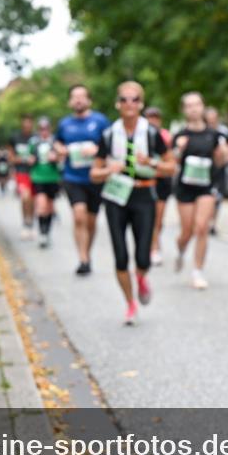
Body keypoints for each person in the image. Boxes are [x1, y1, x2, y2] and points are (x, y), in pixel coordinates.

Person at [90, 82, 176, 324]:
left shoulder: (151, 133)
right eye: (125, 99)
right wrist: (109, 169)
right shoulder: (108, 134)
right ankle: (130, 303)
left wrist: (152, 163)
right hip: (116, 195)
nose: (130, 104)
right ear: (118, 104)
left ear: (141, 104)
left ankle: (141, 277)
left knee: (143, 256)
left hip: (143, 194)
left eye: (135, 99)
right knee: (120, 256)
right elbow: (93, 174)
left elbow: (171, 167)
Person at [173, 92, 228, 289]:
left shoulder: (214, 135)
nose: (194, 109)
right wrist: (178, 150)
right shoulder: (180, 136)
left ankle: (197, 271)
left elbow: (220, 162)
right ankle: (181, 248)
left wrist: (223, 154)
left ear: (202, 107)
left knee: (202, 227)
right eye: (189, 105)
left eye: (197, 104)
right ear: (184, 110)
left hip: (206, 187)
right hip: (185, 188)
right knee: (187, 231)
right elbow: (171, 163)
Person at [54, 84, 111, 276]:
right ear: (70, 101)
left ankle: (87, 252)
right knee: (79, 216)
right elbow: (57, 142)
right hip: (73, 176)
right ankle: (83, 258)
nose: (78, 100)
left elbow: (112, 144)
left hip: (95, 177)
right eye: (74, 97)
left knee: (91, 221)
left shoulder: (100, 121)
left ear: (89, 100)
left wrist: (97, 150)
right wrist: (60, 149)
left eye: (82, 97)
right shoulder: (64, 124)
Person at [145, 106, 172, 266]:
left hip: (162, 180)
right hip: (147, 180)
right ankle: (153, 247)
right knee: (149, 216)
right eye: (149, 117)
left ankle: (155, 243)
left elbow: (170, 160)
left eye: (155, 118)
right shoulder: (140, 135)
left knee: (159, 219)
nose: (152, 121)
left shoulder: (166, 136)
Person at [28, 118, 61, 249]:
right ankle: (42, 232)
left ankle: (47, 232)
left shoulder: (55, 142)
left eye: (46, 128)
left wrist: (56, 157)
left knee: (50, 207)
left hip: (52, 177)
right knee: (41, 205)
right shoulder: (34, 143)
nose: (44, 131)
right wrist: (31, 160)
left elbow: (62, 157)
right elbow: (29, 157)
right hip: (38, 177)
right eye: (41, 129)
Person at [205, 106, 228, 235]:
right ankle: (205, 221)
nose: (211, 122)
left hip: (219, 170)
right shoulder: (203, 131)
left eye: (213, 120)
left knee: (217, 199)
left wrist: (225, 154)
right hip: (205, 170)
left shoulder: (223, 132)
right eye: (209, 120)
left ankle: (212, 223)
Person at [9, 113, 36, 240]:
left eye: (29, 123)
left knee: (32, 200)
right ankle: (25, 223)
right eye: (25, 123)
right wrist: (23, 159)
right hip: (21, 172)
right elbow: (11, 157)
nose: (27, 125)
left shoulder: (36, 138)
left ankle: (31, 223)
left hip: (35, 173)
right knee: (25, 198)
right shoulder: (15, 138)